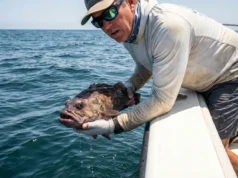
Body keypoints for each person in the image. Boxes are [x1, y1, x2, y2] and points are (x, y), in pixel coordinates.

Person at [64, 0, 238, 175]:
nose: (107, 26)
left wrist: (112, 125)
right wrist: (130, 86)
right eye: (98, 22)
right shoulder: (129, 32)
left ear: (131, 3)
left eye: (109, 13)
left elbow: (162, 102)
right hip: (206, 79)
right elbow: (147, 64)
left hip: (229, 77)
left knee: (214, 154)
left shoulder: (168, 26)